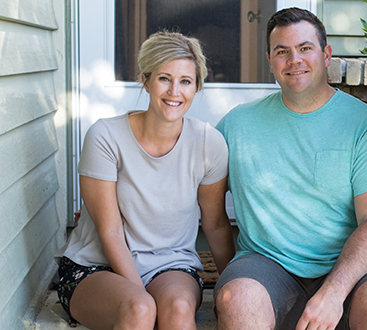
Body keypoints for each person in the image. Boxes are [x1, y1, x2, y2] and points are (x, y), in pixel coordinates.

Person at [213, 7, 367, 330]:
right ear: (270, 60)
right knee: (239, 297)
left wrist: (333, 294)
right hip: (267, 265)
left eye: (305, 48)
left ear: (326, 54)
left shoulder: (365, 126)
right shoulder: (237, 124)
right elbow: (192, 184)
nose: (294, 60)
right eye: (282, 52)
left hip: (350, 270)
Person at [55, 31, 235, 330]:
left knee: (177, 309)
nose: (174, 91)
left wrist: (231, 288)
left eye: (186, 81)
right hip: (96, 267)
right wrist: (144, 299)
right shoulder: (105, 137)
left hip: (170, 264)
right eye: (164, 78)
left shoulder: (208, 143)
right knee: (138, 309)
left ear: (197, 87)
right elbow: (110, 232)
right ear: (146, 80)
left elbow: (215, 224)